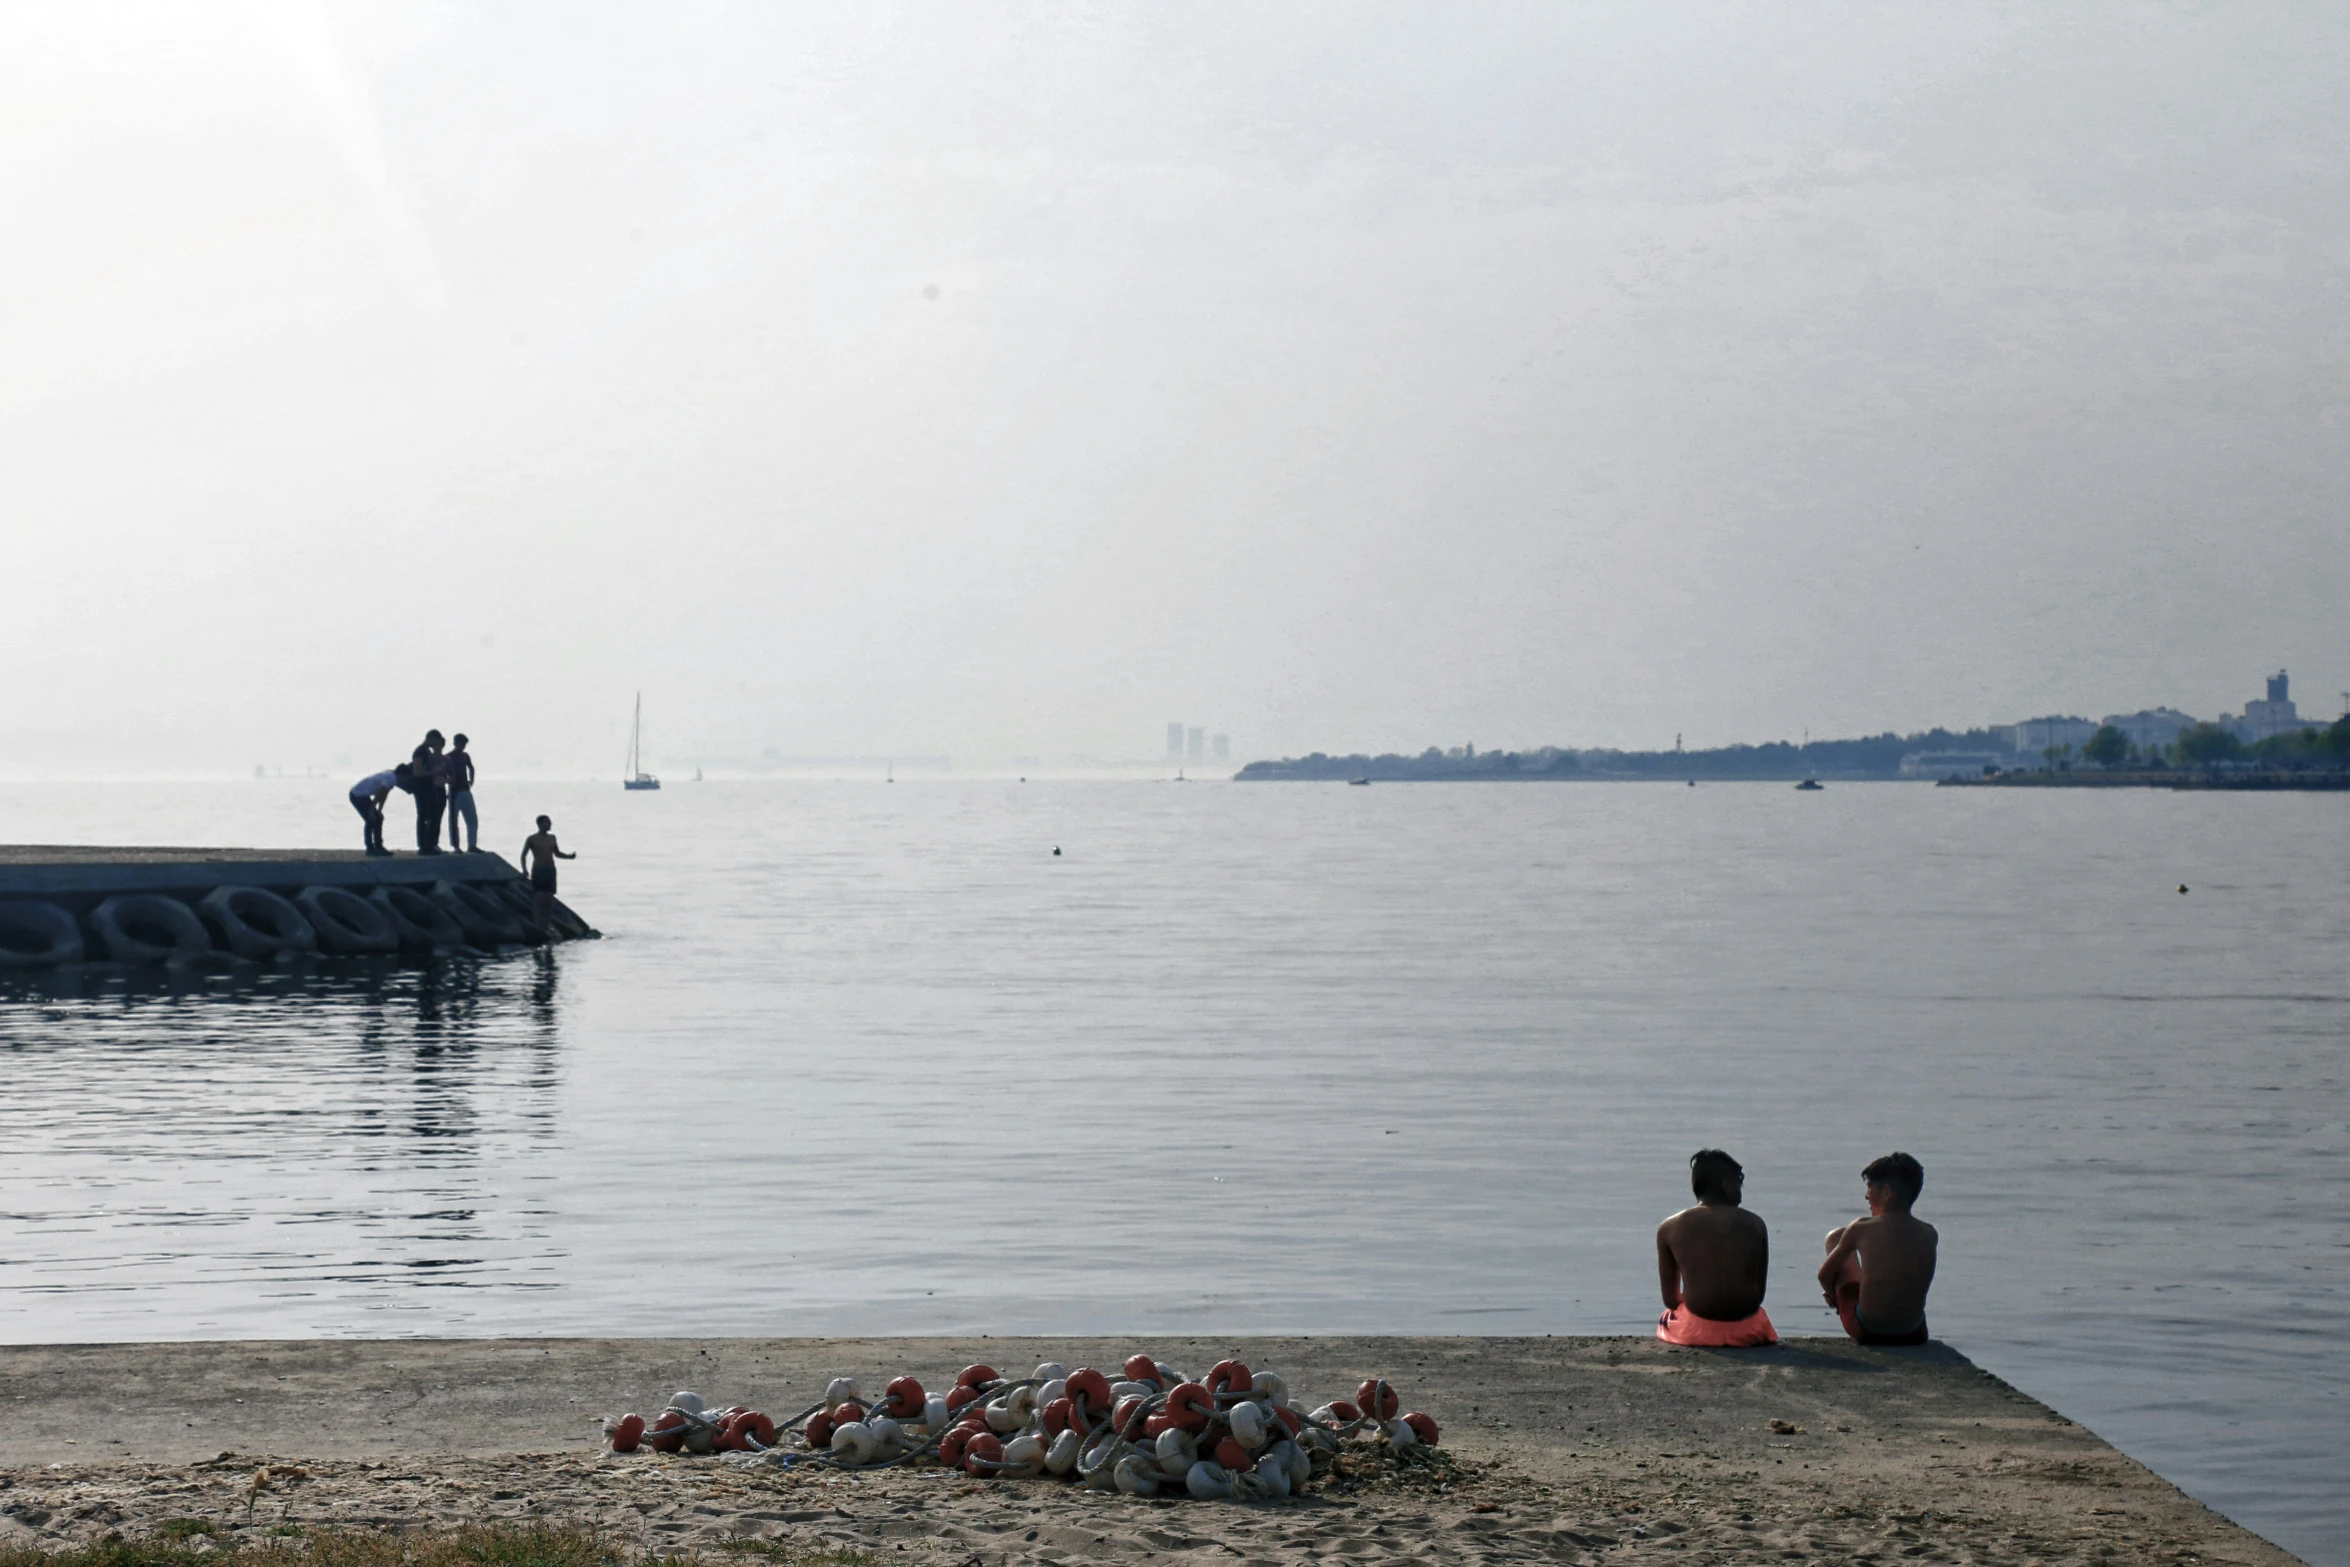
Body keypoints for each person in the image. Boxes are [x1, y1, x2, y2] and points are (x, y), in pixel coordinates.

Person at [1655, 1148, 1777, 1347]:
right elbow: (1758, 1292)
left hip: (1695, 1331)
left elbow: (1670, 1299)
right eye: (1739, 1184)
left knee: (1669, 1316)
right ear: (1727, 1186)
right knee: (1758, 1316)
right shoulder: (1756, 1223)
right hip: (1749, 1328)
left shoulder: (1669, 1227)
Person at [1818, 1152, 1938, 1346]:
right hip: (1915, 1332)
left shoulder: (1861, 1228)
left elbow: (1824, 1275)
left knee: (1836, 1237)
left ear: (1887, 1193)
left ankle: (1851, 1305)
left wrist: (1834, 1295)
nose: (1866, 1196)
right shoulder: (1930, 1233)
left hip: (1869, 1331)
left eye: (1869, 1188)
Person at [519, 815, 575, 926]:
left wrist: (569, 856)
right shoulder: (532, 839)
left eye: (549, 822)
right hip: (538, 870)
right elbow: (523, 855)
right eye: (547, 822)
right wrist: (524, 870)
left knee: (549, 898)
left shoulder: (552, 838)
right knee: (539, 897)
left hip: (550, 870)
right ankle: (537, 922)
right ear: (540, 824)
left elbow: (557, 853)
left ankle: (547, 924)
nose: (550, 824)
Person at [410, 730, 447, 855]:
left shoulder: (428, 752)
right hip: (421, 789)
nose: (436, 745)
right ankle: (423, 845)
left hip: (430, 788)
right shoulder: (419, 752)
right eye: (435, 741)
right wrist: (433, 772)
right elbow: (417, 772)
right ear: (430, 738)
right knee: (423, 816)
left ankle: (431, 843)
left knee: (434, 815)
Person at [347, 766, 398, 856]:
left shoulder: (392, 778)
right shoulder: (392, 778)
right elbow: (379, 793)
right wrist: (371, 810)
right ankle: (370, 848)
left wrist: (379, 811)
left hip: (363, 795)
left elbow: (383, 795)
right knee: (371, 819)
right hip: (357, 795)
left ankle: (378, 846)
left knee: (377, 818)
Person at [444, 734, 478, 853]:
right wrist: (449, 782)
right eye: (461, 744)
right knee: (454, 820)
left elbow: (471, 767)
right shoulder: (448, 757)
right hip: (454, 792)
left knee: (472, 819)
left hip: (465, 790)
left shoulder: (465, 756)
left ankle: (472, 845)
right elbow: (443, 774)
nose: (463, 747)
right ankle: (456, 846)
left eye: (464, 744)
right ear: (455, 743)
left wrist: (471, 779)